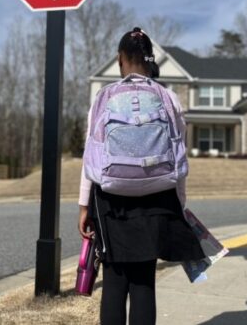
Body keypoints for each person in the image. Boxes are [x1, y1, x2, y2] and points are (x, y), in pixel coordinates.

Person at [78, 27, 207, 325]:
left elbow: (90, 155)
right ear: (150, 61)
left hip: (111, 202)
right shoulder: (168, 97)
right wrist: (180, 204)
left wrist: (84, 205)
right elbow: (179, 156)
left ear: (119, 59)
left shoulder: (103, 97)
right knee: (144, 284)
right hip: (157, 199)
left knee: (113, 282)